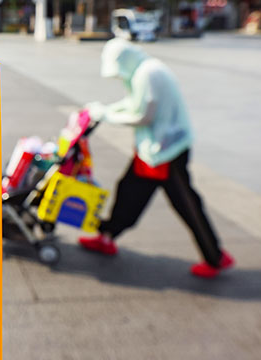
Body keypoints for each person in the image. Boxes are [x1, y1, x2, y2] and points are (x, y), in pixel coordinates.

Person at [82, 38, 233, 278]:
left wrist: (106, 115)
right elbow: (133, 103)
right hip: (151, 151)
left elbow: (143, 115)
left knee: (186, 203)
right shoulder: (144, 70)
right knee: (129, 192)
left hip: (167, 152)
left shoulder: (149, 74)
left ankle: (215, 257)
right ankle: (107, 236)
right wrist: (104, 109)